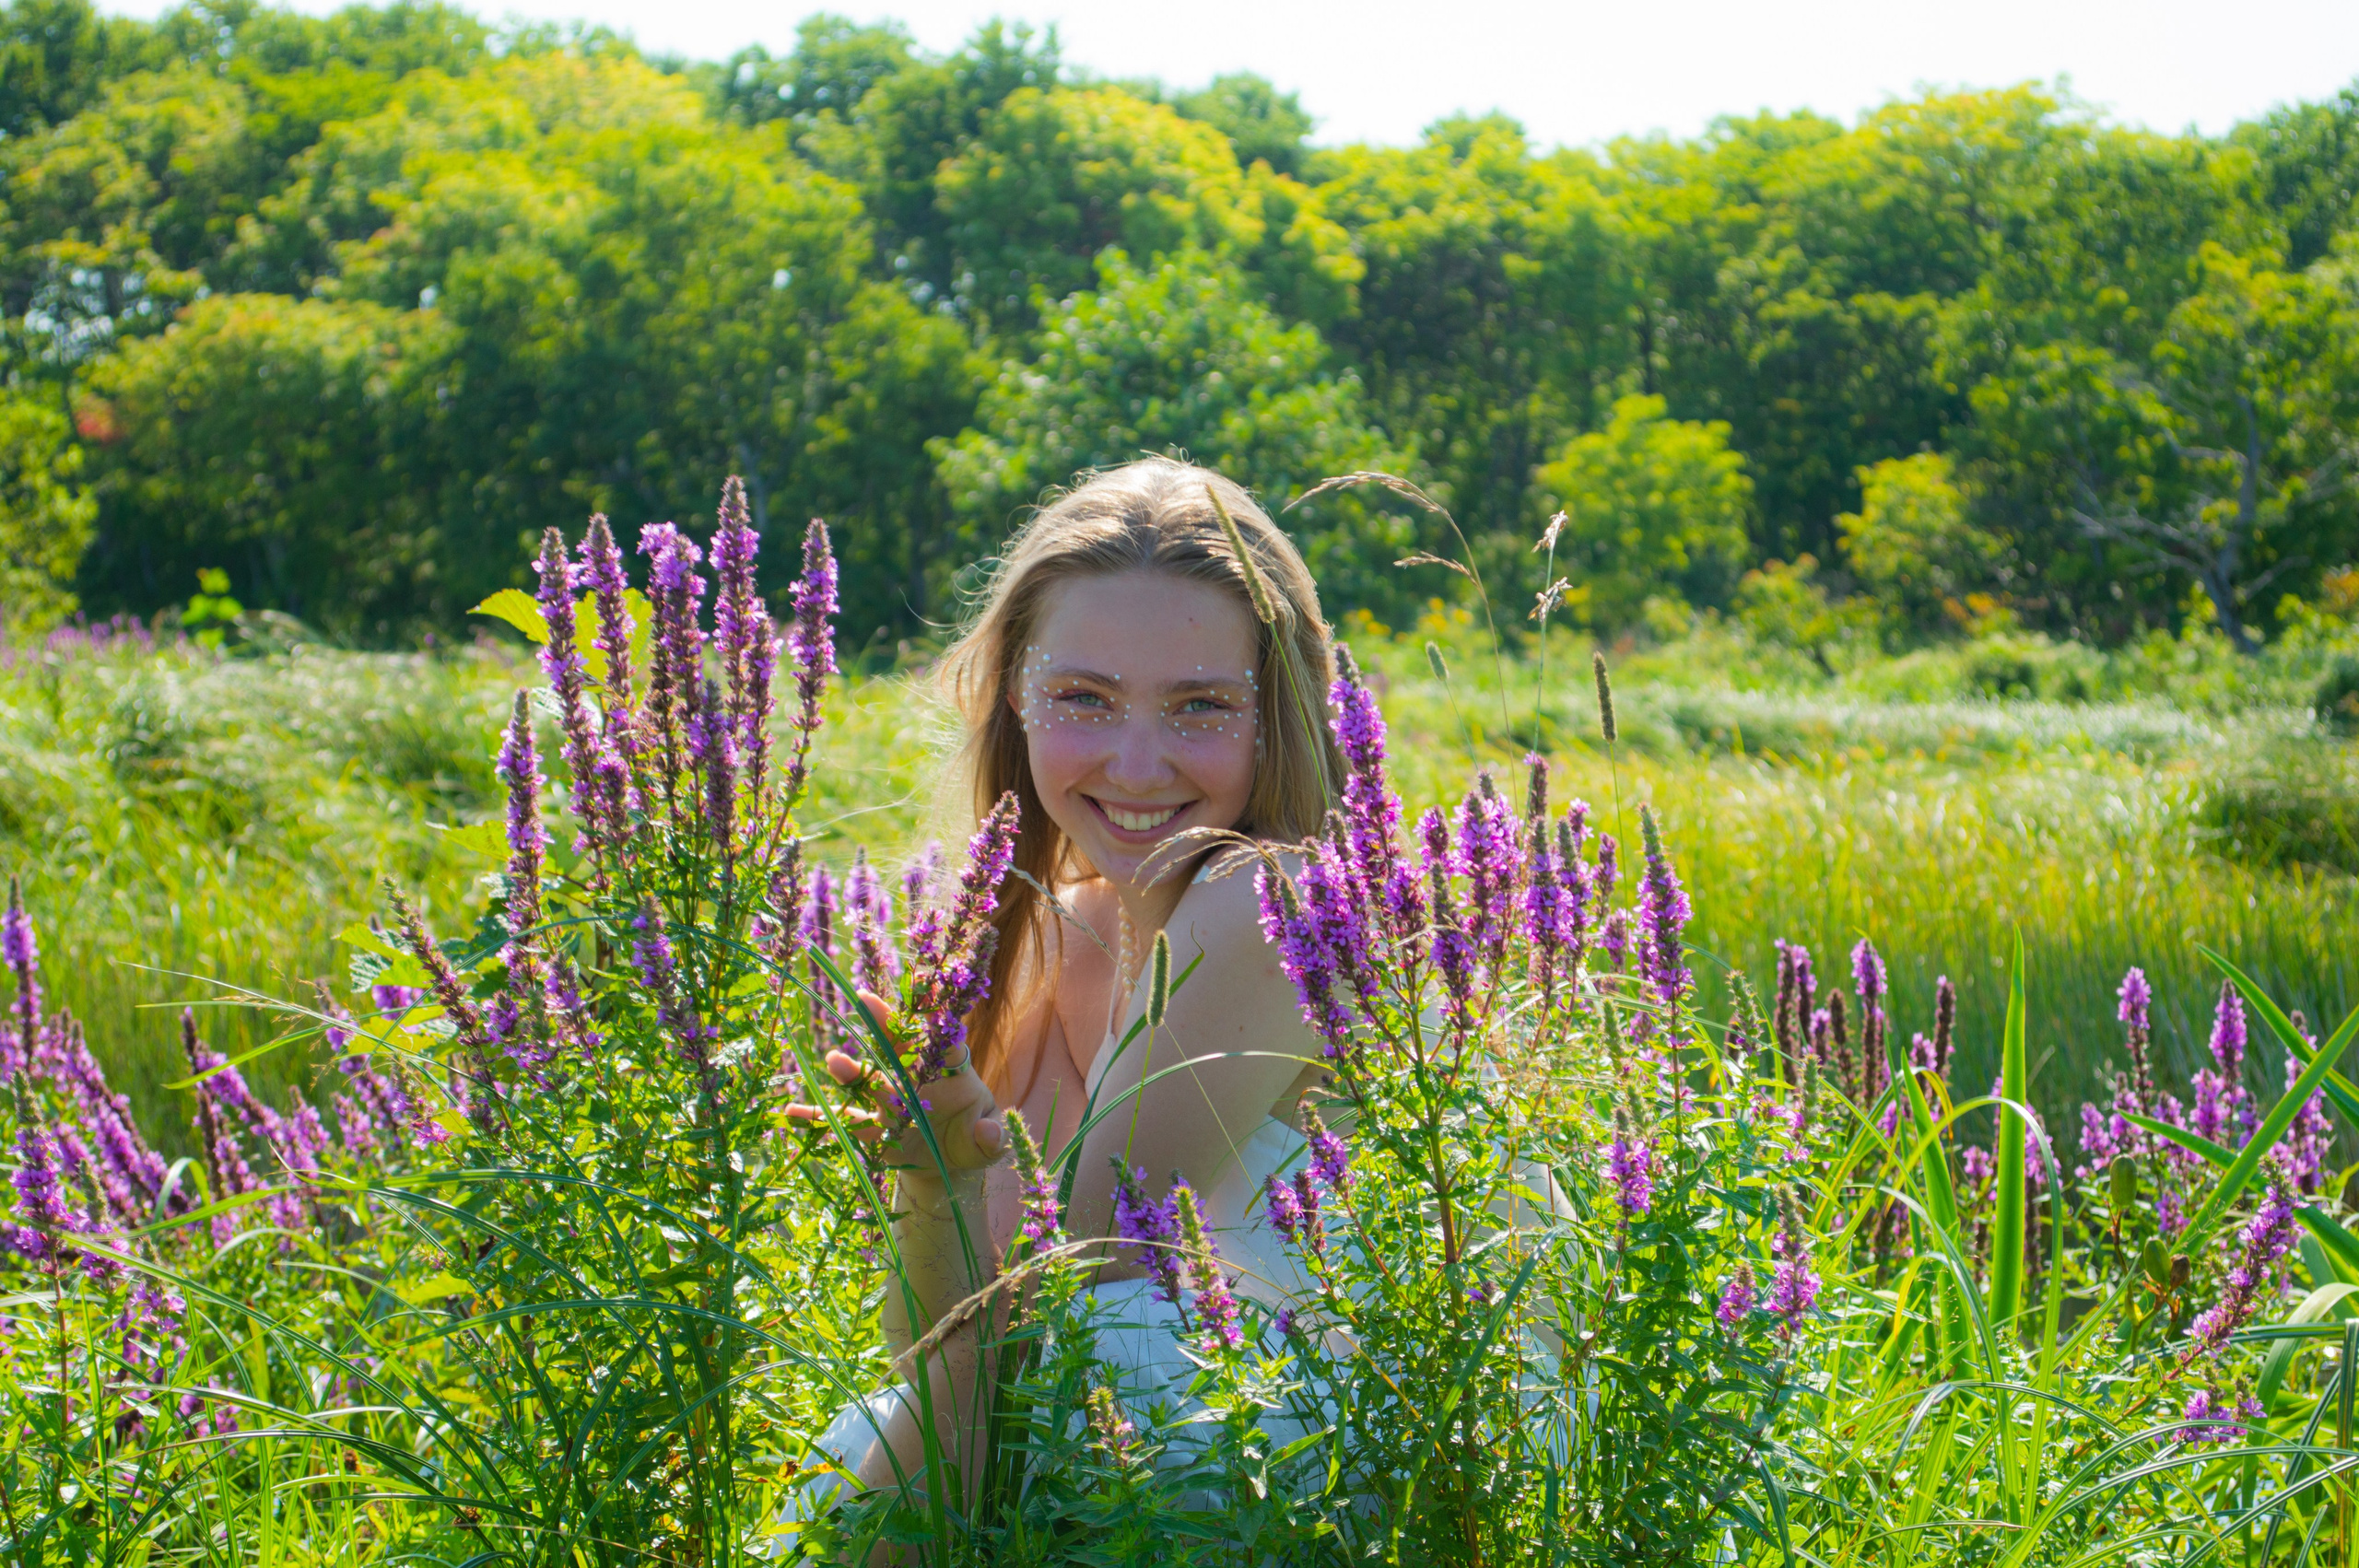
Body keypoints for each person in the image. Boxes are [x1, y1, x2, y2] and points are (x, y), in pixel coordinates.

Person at [785, 456, 1344, 1508]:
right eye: (1083, 697)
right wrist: (933, 1181)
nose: (1136, 766)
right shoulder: (1040, 944)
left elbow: (1009, 1354)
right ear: (1014, 698)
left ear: (1282, 712)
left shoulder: (1271, 905)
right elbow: (943, 1364)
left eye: (1201, 707)